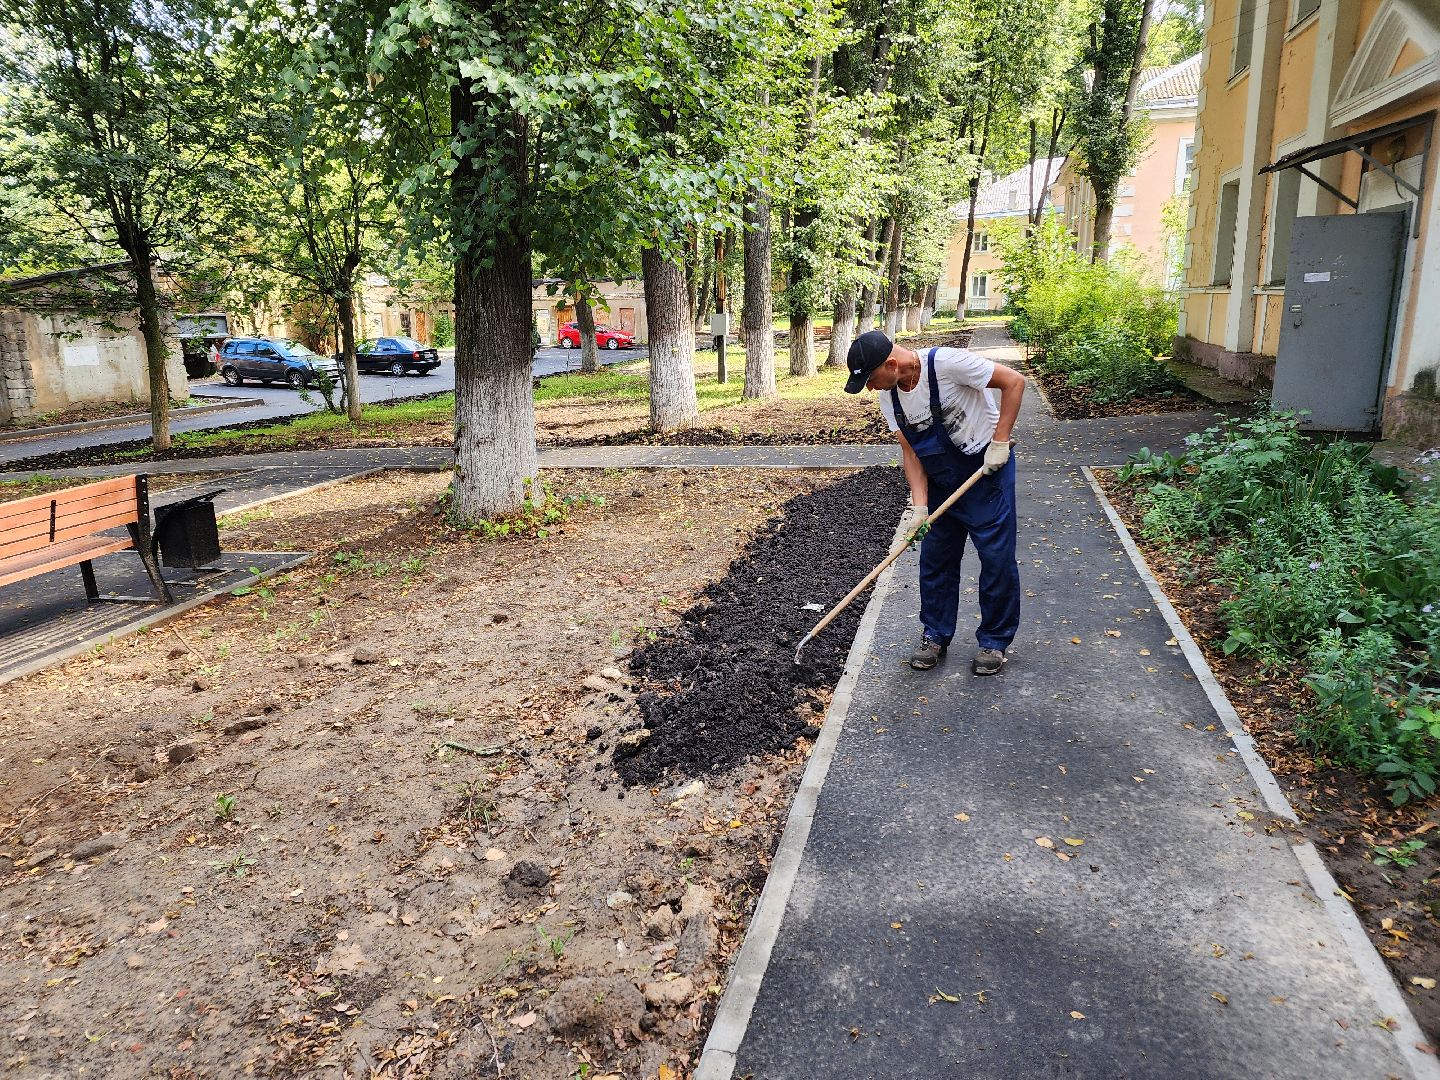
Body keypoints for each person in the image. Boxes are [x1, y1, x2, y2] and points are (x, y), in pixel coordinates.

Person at [843, 329, 1024, 674]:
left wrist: (999, 441)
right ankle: (935, 634)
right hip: (941, 482)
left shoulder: (948, 365)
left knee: (996, 559)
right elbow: (911, 453)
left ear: (892, 364)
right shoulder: (890, 396)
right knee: (935, 561)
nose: (870, 388)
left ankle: (994, 641)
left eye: (871, 378)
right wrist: (920, 506)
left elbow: (1014, 382)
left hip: (986, 474)